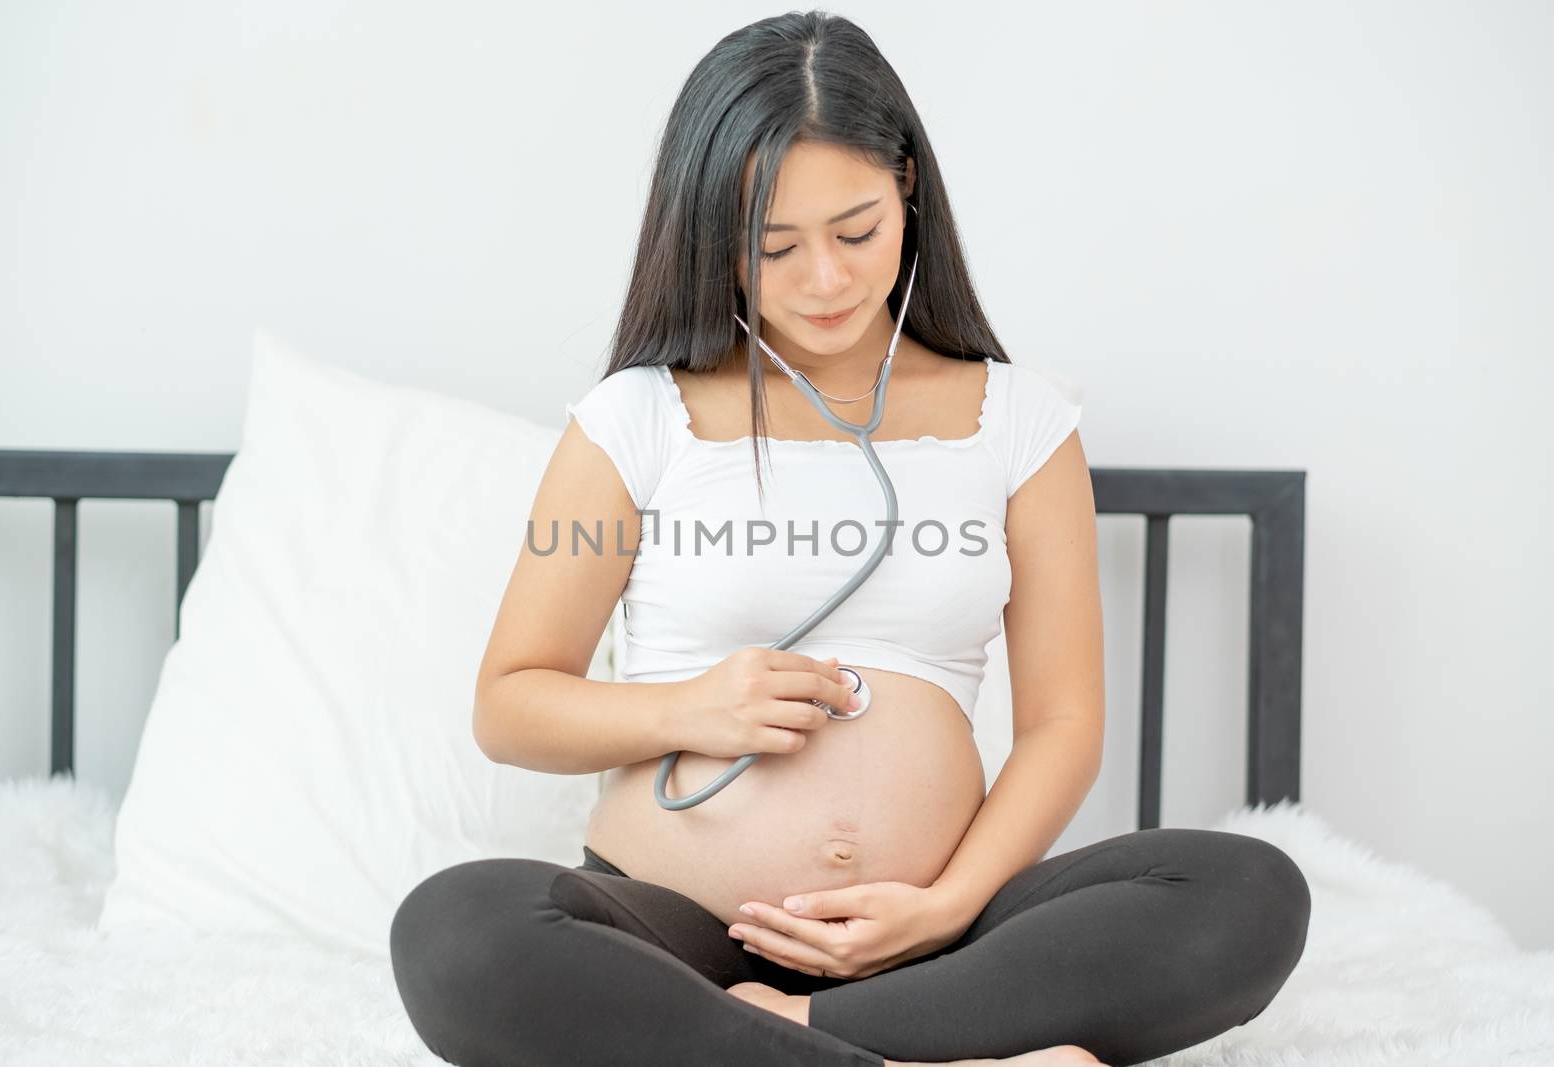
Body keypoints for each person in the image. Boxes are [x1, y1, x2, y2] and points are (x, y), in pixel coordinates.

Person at [390, 11, 1310, 1066]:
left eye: (855, 231)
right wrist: (692, 706)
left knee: (1248, 888)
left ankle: (790, 1039)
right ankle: (921, 1054)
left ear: (907, 187)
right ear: (705, 236)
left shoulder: (1020, 422)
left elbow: (1063, 722)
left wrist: (946, 902)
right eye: (771, 247)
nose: (822, 281)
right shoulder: (634, 417)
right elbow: (510, 704)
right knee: (457, 930)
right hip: (684, 935)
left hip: (944, 940)